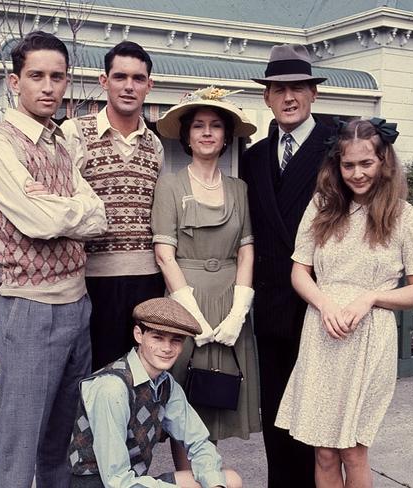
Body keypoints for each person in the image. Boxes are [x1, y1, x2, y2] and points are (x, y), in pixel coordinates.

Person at [0, 31, 107, 487]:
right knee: (20, 442)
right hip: (31, 308)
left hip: (77, 303)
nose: (48, 87)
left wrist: (59, 204)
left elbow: (99, 217)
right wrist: (62, 208)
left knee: (62, 440)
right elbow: (36, 222)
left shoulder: (63, 144)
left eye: (57, 76)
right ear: (14, 82)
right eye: (36, 76)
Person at [275, 118, 413, 487]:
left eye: (367, 163)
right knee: (325, 450)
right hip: (322, 335)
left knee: (353, 450)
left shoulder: (406, 217)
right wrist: (324, 303)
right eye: (348, 165)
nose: (357, 173)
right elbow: (299, 272)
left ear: (384, 162)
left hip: (368, 340)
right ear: (337, 165)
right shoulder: (322, 207)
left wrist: (372, 297)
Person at [239, 43, 334, 487]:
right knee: (277, 413)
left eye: (298, 87)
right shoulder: (253, 156)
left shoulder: (337, 148)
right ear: (267, 98)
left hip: (322, 304)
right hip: (273, 306)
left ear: (313, 93)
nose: (289, 97)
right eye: (279, 89)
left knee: (322, 418)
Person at [151, 87, 261, 467]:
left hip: (229, 300)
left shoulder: (239, 189)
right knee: (184, 399)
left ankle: (210, 474)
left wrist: (238, 312)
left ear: (227, 135)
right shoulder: (169, 185)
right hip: (187, 300)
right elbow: (165, 254)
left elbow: (246, 249)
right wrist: (190, 315)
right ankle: (185, 477)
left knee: (219, 395)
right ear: (187, 135)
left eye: (216, 125)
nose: (208, 132)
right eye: (199, 125)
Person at [61, 41, 165, 371]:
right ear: (104, 81)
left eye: (138, 78)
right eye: (120, 76)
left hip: (147, 278)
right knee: (98, 373)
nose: (129, 86)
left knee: (142, 371)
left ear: (149, 85)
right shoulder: (75, 132)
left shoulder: (156, 146)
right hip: (94, 280)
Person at [68, 297, 243, 488]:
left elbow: (199, 442)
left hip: (133, 481)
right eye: (157, 337)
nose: (167, 348)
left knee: (229, 481)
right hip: (101, 484)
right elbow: (116, 480)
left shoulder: (165, 383)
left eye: (175, 340)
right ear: (138, 335)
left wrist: (215, 485)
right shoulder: (112, 387)